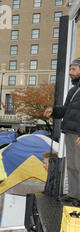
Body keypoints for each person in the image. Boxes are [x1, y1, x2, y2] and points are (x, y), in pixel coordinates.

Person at [44, 58, 80, 206]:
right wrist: (53, 110)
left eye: (74, 69)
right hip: (70, 132)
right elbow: (65, 110)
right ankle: (74, 195)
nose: (70, 72)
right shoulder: (73, 90)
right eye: (70, 69)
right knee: (72, 166)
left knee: (78, 166)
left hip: (78, 135)